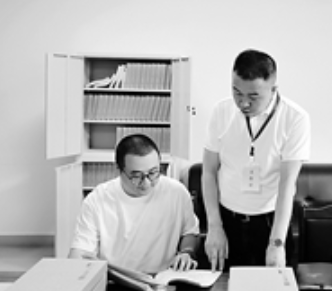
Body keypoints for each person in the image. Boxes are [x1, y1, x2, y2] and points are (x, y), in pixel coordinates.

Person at [202, 49, 311, 271]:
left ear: (273, 89)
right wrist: (214, 226)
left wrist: (276, 243)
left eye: (253, 97)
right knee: (223, 289)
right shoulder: (221, 111)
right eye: (236, 92)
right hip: (226, 221)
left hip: (271, 223)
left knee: (274, 289)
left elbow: (287, 184)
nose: (243, 103)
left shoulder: (294, 118)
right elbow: (209, 171)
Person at [69, 134, 200, 274]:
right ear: (119, 169)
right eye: (137, 176)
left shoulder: (176, 192)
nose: (147, 183)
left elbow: (190, 232)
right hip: (114, 279)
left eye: (153, 173)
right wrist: (77, 266)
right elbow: (80, 251)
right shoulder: (97, 199)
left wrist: (186, 252)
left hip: (162, 279)